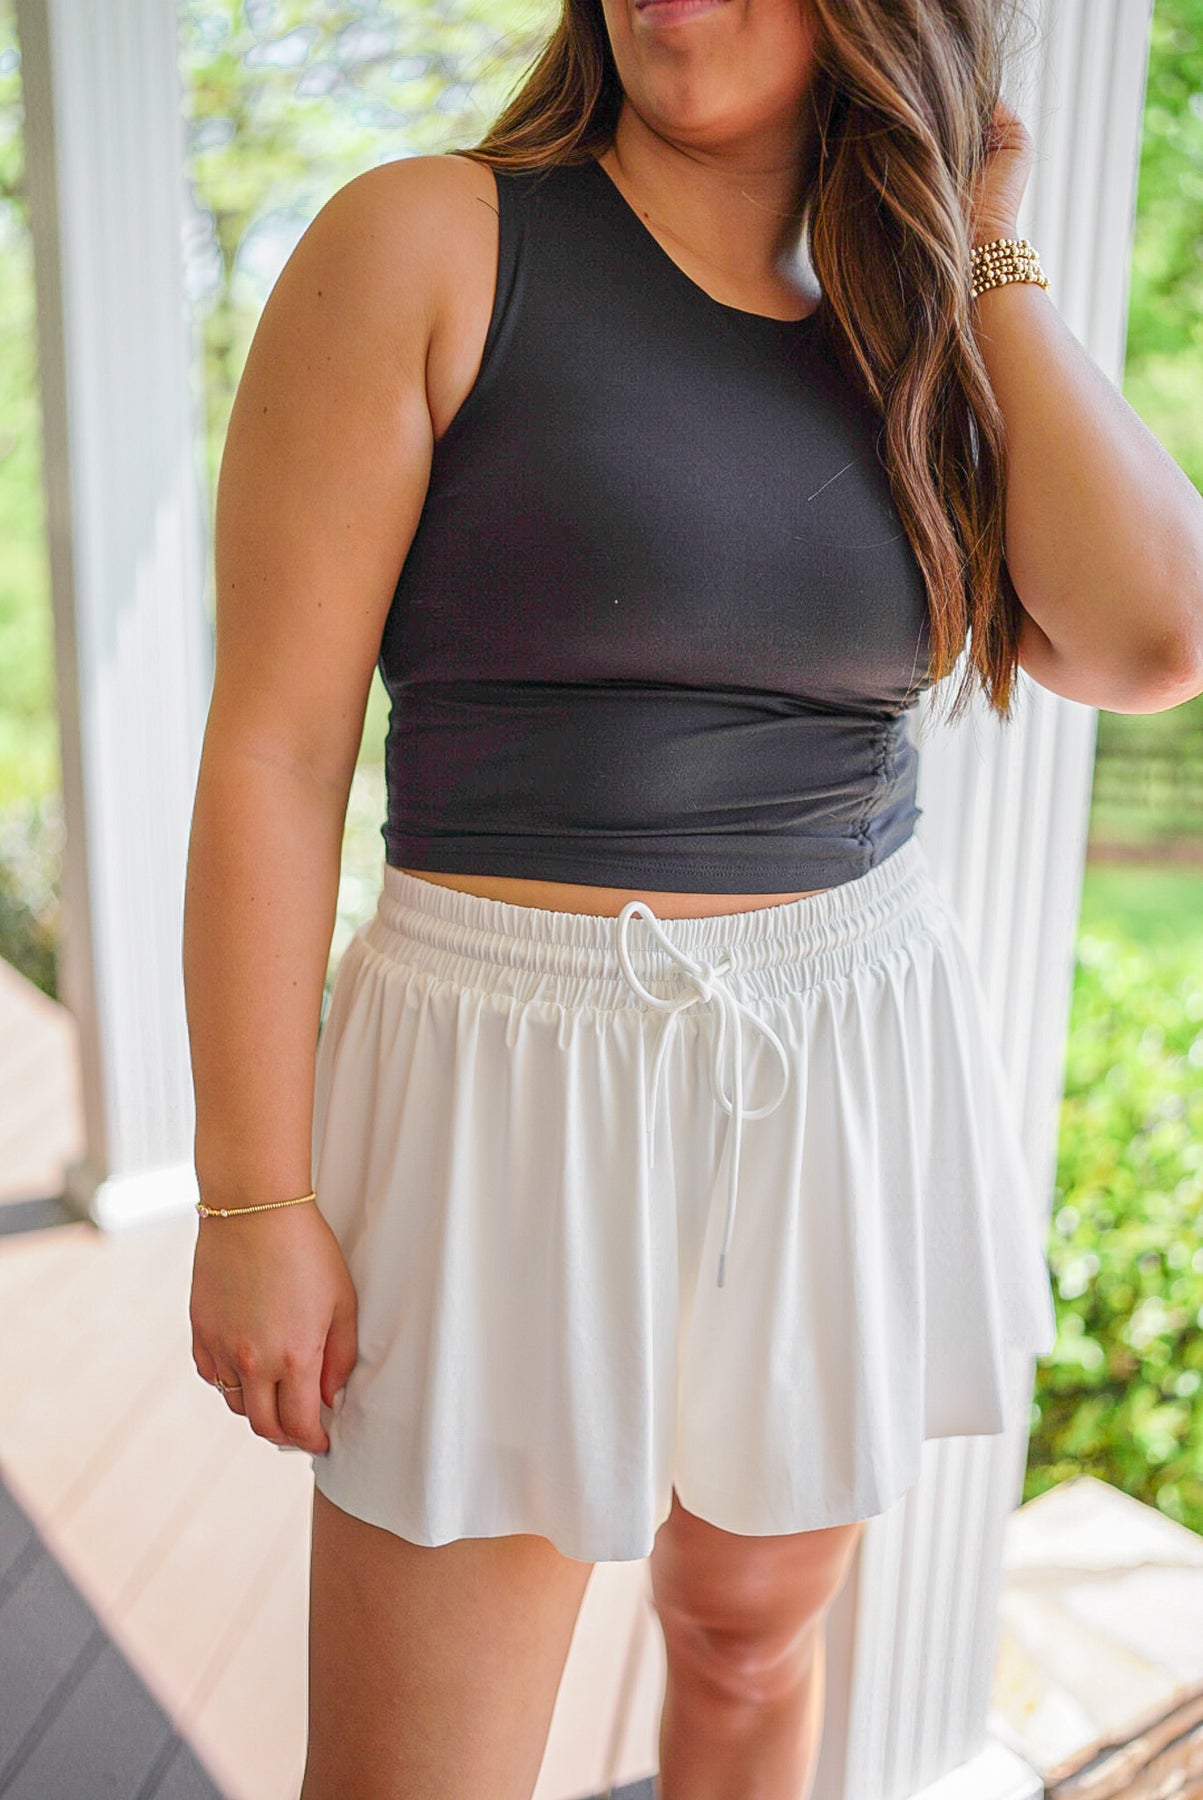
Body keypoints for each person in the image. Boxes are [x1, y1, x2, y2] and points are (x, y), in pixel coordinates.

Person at [182, 0, 1203, 1795]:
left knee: (748, 1642)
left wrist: (980, 248)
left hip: (839, 1061)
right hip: (502, 1092)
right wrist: (252, 1193)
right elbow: (275, 749)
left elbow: (1152, 634)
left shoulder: (913, 318)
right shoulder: (429, 241)